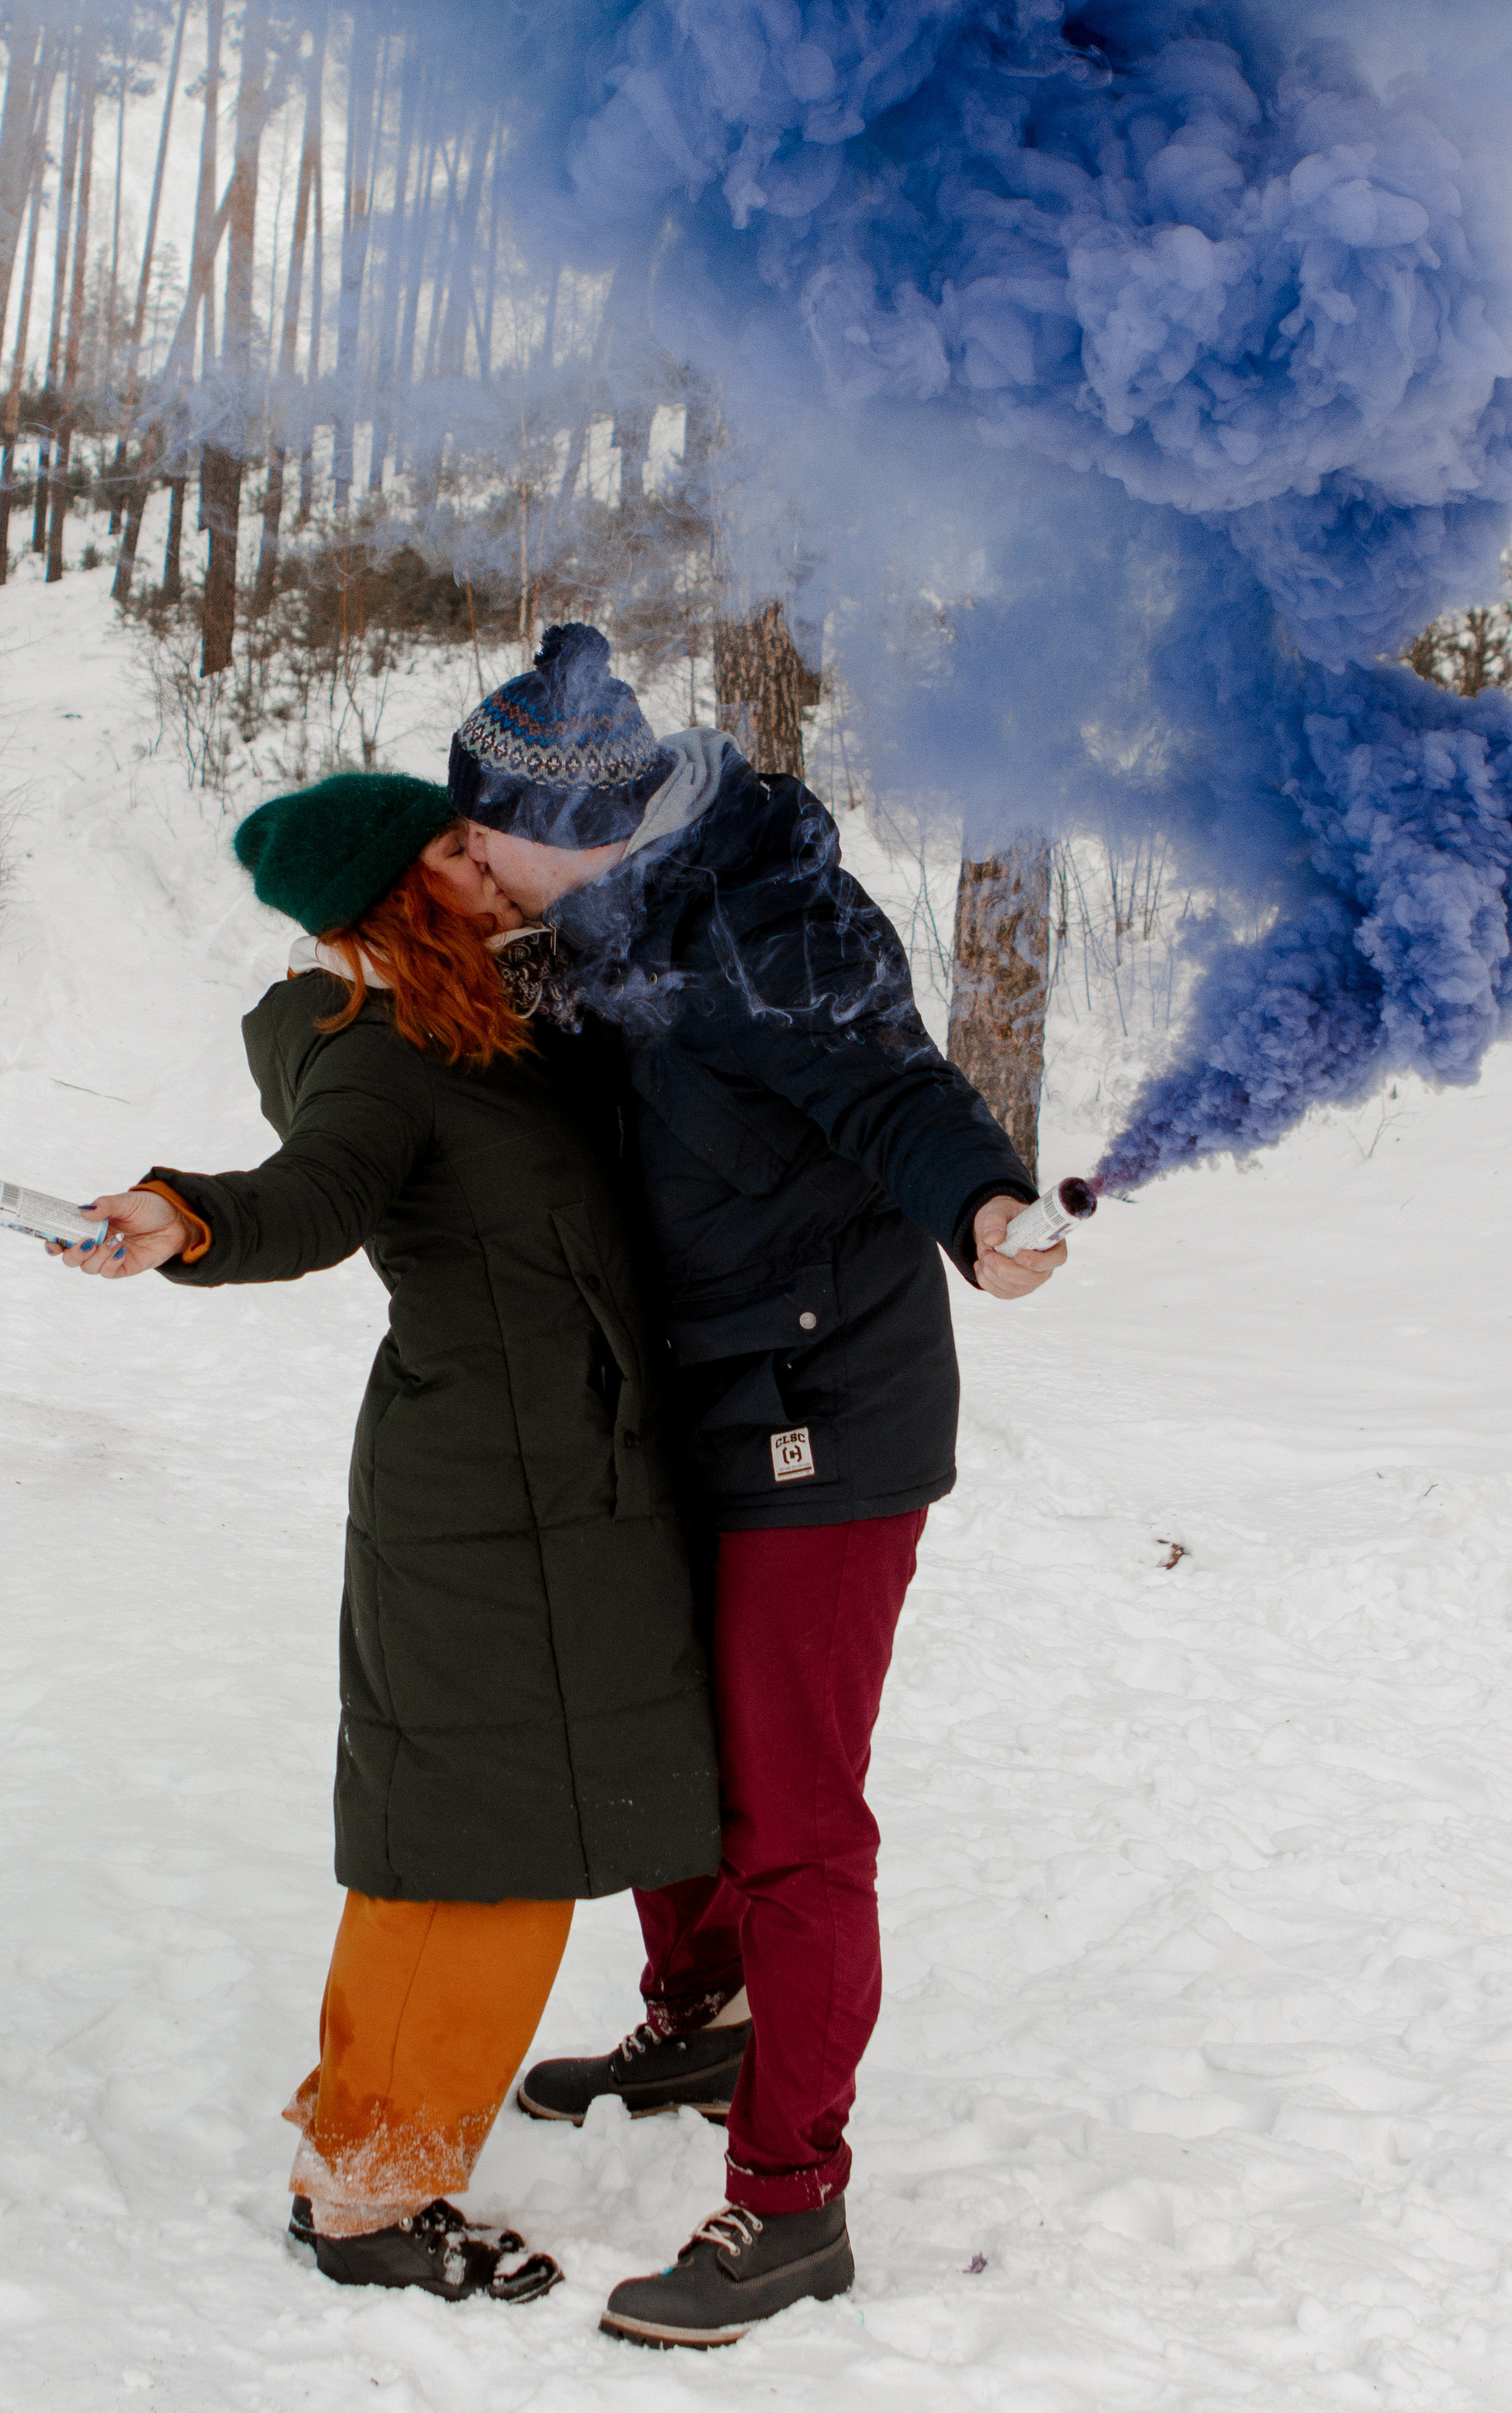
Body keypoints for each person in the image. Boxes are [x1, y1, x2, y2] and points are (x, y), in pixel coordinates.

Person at [445, 625, 1066, 2349]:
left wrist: (983, 1208)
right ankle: (696, 2003)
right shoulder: (576, 933)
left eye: (473, 836)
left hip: (823, 1404)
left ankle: (792, 2196)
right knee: (664, 1734)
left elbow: (891, 1088)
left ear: (553, 825)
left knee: (791, 1814)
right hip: (689, 1391)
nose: (466, 865)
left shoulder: (762, 918)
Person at [53, 768, 721, 2307]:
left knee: (482, 1843)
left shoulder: (461, 1013)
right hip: (490, 1498)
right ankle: (366, 2191)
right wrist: (183, 1215)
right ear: (391, 888)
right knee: (476, 1857)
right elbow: (312, 1194)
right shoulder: (372, 1047)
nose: (479, 860)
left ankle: (366, 2140)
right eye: (446, 845)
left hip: (553, 1476)